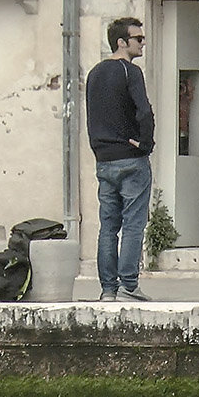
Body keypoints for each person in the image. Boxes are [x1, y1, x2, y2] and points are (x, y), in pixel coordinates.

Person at [86, 16, 156, 302]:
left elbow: (93, 115)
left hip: (104, 159)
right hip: (130, 158)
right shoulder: (131, 71)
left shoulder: (94, 73)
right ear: (121, 42)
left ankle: (108, 289)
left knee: (108, 226)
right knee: (133, 224)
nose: (142, 43)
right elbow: (144, 111)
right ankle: (128, 285)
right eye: (138, 39)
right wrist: (146, 144)